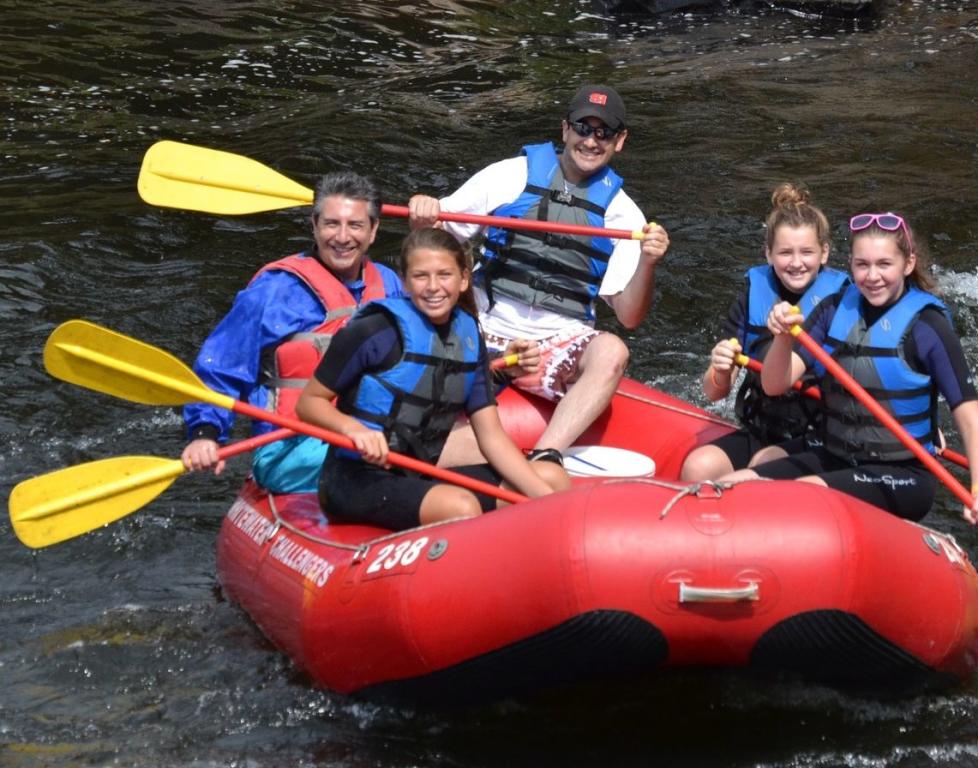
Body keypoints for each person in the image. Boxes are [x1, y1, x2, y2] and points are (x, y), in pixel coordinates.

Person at [406, 83, 671, 467]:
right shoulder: (509, 176)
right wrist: (424, 216)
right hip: (485, 325)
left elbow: (629, 316)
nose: (591, 141)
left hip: (557, 341)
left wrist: (649, 263)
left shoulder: (623, 215)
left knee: (613, 350)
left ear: (620, 140)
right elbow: (435, 245)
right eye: (583, 128)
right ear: (565, 129)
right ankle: (422, 446)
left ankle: (546, 457)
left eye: (604, 133)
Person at [719, 211, 978, 528]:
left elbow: (970, 417)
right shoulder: (834, 308)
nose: (872, 276)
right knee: (734, 486)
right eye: (862, 265)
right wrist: (783, 338)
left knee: (796, 497)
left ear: (907, 264)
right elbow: (773, 385)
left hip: (902, 472)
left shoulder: (928, 326)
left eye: (884, 264)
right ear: (850, 265)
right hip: (834, 452)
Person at [295, 228, 571, 530]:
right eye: (421, 276)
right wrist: (353, 429)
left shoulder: (468, 337)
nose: (433, 287)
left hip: (420, 473)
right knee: (461, 506)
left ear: (464, 279)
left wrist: (547, 500)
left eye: (444, 275)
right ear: (405, 281)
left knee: (551, 477)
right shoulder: (375, 330)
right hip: (355, 478)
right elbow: (308, 404)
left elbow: (491, 437)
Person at [180, 171, 405, 493]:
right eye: (331, 224)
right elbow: (223, 369)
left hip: (375, 432)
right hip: (289, 444)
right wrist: (205, 435)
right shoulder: (274, 292)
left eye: (355, 225)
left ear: (373, 231)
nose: (342, 237)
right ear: (314, 226)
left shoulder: (389, 285)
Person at [680, 183, 850, 482]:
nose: (796, 263)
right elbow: (714, 391)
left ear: (824, 253)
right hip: (762, 428)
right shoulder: (752, 293)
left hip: (821, 436)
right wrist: (721, 368)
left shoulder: (843, 303)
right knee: (699, 465)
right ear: (768, 254)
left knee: (762, 463)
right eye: (785, 252)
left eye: (806, 252)